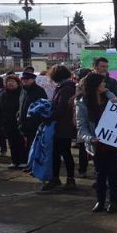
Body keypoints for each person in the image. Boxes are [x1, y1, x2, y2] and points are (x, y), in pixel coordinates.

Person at [76, 73, 117, 213]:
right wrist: (90, 138)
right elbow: (81, 125)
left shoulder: (108, 98)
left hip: (113, 143)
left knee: (114, 175)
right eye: (102, 83)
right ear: (95, 85)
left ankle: (113, 202)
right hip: (97, 145)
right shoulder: (82, 102)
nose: (104, 85)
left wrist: (108, 93)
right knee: (100, 175)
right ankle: (100, 201)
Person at [39, 65, 77, 193]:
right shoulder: (66, 87)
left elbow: (61, 108)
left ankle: (66, 179)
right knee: (60, 153)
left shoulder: (65, 88)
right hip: (63, 126)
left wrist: (48, 118)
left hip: (62, 126)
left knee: (63, 153)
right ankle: (60, 178)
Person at [17, 71, 47, 159]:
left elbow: (43, 107)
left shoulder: (39, 90)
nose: (24, 81)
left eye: (27, 79)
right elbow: (20, 105)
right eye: (23, 79)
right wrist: (18, 116)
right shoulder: (22, 90)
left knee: (34, 147)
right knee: (25, 147)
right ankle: (27, 163)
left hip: (34, 125)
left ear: (33, 80)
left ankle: (33, 166)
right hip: (23, 124)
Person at [0, 75, 23, 169]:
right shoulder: (3, 94)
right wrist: (1, 121)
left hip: (19, 123)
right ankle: (14, 161)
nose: (10, 83)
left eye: (13, 81)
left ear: (17, 83)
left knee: (20, 142)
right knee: (11, 143)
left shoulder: (22, 93)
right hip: (7, 123)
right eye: (8, 81)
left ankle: (22, 161)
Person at [74, 68, 92, 177]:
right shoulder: (80, 89)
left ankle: (82, 169)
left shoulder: (78, 87)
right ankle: (83, 169)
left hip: (84, 120)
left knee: (83, 146)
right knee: (83, 146)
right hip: (85, 120)